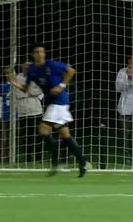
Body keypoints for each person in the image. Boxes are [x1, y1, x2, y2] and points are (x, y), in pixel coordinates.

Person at [8, 43, 89, 177]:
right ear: (33, 55)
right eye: (37, 52)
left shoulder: (52, 65)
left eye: (42, 52)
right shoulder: (33, 70)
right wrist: (14, 83)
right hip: (51, 103)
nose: (40, 54)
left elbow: (71, 71)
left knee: (43, 129)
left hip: (60, 102)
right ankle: (83, 162)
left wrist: (61, 86)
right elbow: (26, 89)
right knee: (65, 135)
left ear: (44, 54)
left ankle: (56, 162)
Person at [14, 61, 44, 162]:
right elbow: (17, 92)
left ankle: (39, 157)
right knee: (26, 136)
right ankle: (28, 158)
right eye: (24, 67)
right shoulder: (17, 77)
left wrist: (26, 91)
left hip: (36, 110)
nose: (26, 68)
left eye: (28, 67)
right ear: (21, 67)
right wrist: (28, 91)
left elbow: (39, 91)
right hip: (23, 110)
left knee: (38, 135)